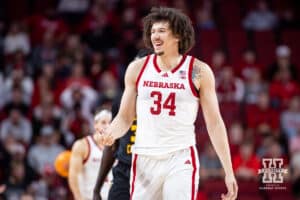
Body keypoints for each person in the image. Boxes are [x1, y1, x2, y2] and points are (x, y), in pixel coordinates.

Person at [100, 7, 238, 200]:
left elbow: (215, 123)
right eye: (152, 31)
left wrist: (229, 171)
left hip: (180, 157)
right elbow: (125, 117)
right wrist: (111, 133)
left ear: (178, 36)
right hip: (144, 157)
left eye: (161, 31)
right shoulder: (137, 69)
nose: (155, 35)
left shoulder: (198, 71)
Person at [93, 49, 152, 200]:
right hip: (124, 172)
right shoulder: (121, 99)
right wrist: (97, 187)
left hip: (152, 173)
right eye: (134, 66)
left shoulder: (164, 101)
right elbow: (112, 144)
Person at [68, 109, 112, 200]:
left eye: (110, 123)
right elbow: (73, 175)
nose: (107, 126)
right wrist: (78, 197)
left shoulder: (118, 146)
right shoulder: (82, 145)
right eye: (103, 122)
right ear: (95, 125)